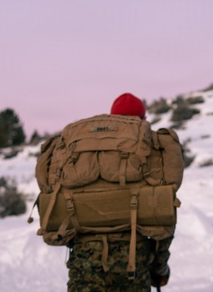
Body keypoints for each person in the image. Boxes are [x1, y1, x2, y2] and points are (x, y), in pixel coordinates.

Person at [55, 93, 178, 292]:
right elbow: (164, 217)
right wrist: (159, 269)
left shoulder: (84, 151)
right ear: (143, 119)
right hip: (133, 264)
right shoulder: (149, 153)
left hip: (85, 263)